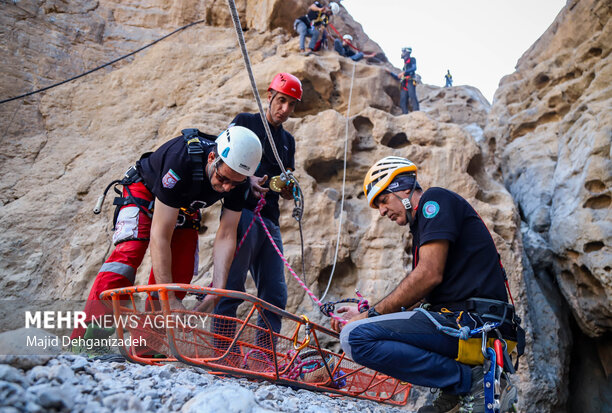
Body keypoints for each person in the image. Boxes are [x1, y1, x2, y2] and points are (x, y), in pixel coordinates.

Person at [332, 157, 523, 413]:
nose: (381, 211)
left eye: (383, 199)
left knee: (355, 337)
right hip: (470, 323)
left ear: (403, 189)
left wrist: (369, 316)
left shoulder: (435, 201)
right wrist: (365, 315)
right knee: (365, 328)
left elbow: (427, 276)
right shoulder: (423, 227)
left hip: (474, 325)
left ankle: (468, 381)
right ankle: (457, 386)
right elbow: (423, 293)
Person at [71, 125, 263, 343]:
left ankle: (149, 343)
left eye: (235, 183)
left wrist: (217, 289)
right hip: (145, 190)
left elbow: (227, 234)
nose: (227, 188)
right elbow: (160, 234)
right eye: (223, 179)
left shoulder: (238, 181)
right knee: (127, 258)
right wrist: (168, 300)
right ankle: (88, 340)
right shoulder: (181, 161)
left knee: (181, 267)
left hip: (183, 205)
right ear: (212, 158)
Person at [213, 73, 302, 338]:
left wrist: (288, 190)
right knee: (232, 285)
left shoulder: (288, 142)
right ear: (270, 95)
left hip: (270, 219)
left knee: (275, 293)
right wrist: (247, 178)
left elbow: (284, 182)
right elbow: (221, 154)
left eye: (291, 105)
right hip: (241, 211)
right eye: (281, 101)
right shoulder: (245, 122)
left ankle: (265, 357)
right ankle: (222, 351)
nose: (284, 109)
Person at [386, 47, 419, 114]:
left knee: (412, 97)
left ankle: (417, 113)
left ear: (407, 53)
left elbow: (414, 68)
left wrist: (404, 72)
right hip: (404, 84)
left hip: (410, 81)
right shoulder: (404, 67)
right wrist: (390, 73)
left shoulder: (412, 60)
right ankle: (405, 115)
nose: (402, 54)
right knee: (403, 101)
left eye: (403, 52)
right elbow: (398, 77)